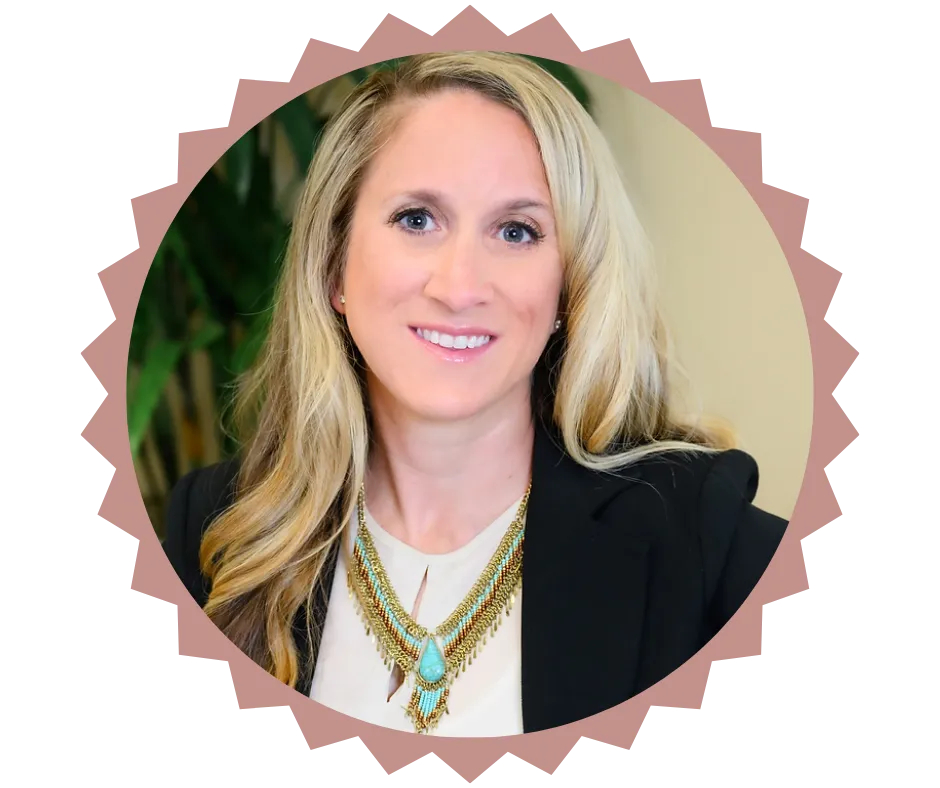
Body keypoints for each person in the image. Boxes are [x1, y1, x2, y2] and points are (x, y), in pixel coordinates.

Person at [163, 51, 788, 738]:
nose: (460, 286)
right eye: (416, 220)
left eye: (516, 231)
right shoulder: (212, 531)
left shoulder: (697, 538)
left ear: (566, 288)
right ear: (334, 266)